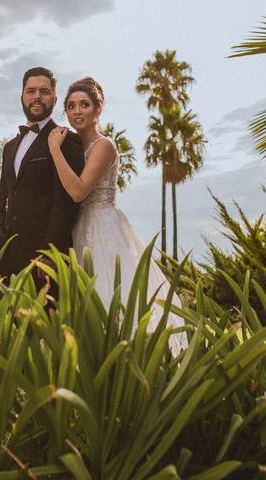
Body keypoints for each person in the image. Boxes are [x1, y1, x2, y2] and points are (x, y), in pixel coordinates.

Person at [47, 77, 186, 348]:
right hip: (78, 229)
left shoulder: (104, 146)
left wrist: (53, 150)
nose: (77, 111)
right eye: (71, 105)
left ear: (98, 109)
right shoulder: (73, 146)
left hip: (104, 228)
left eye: (84, 105)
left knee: (111, 295)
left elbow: (78, 192)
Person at [0, 67, 85, 299]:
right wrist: (0, 241)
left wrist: (50, 253)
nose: (37, 96)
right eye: (30, 91)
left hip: (44, 260)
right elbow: (5, 197)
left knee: (42, 330)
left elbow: (65, 204)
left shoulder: (67, 140)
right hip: (9, 258)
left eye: (44, 91)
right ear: (22, 96)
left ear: (54, 97)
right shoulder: (9, 147)